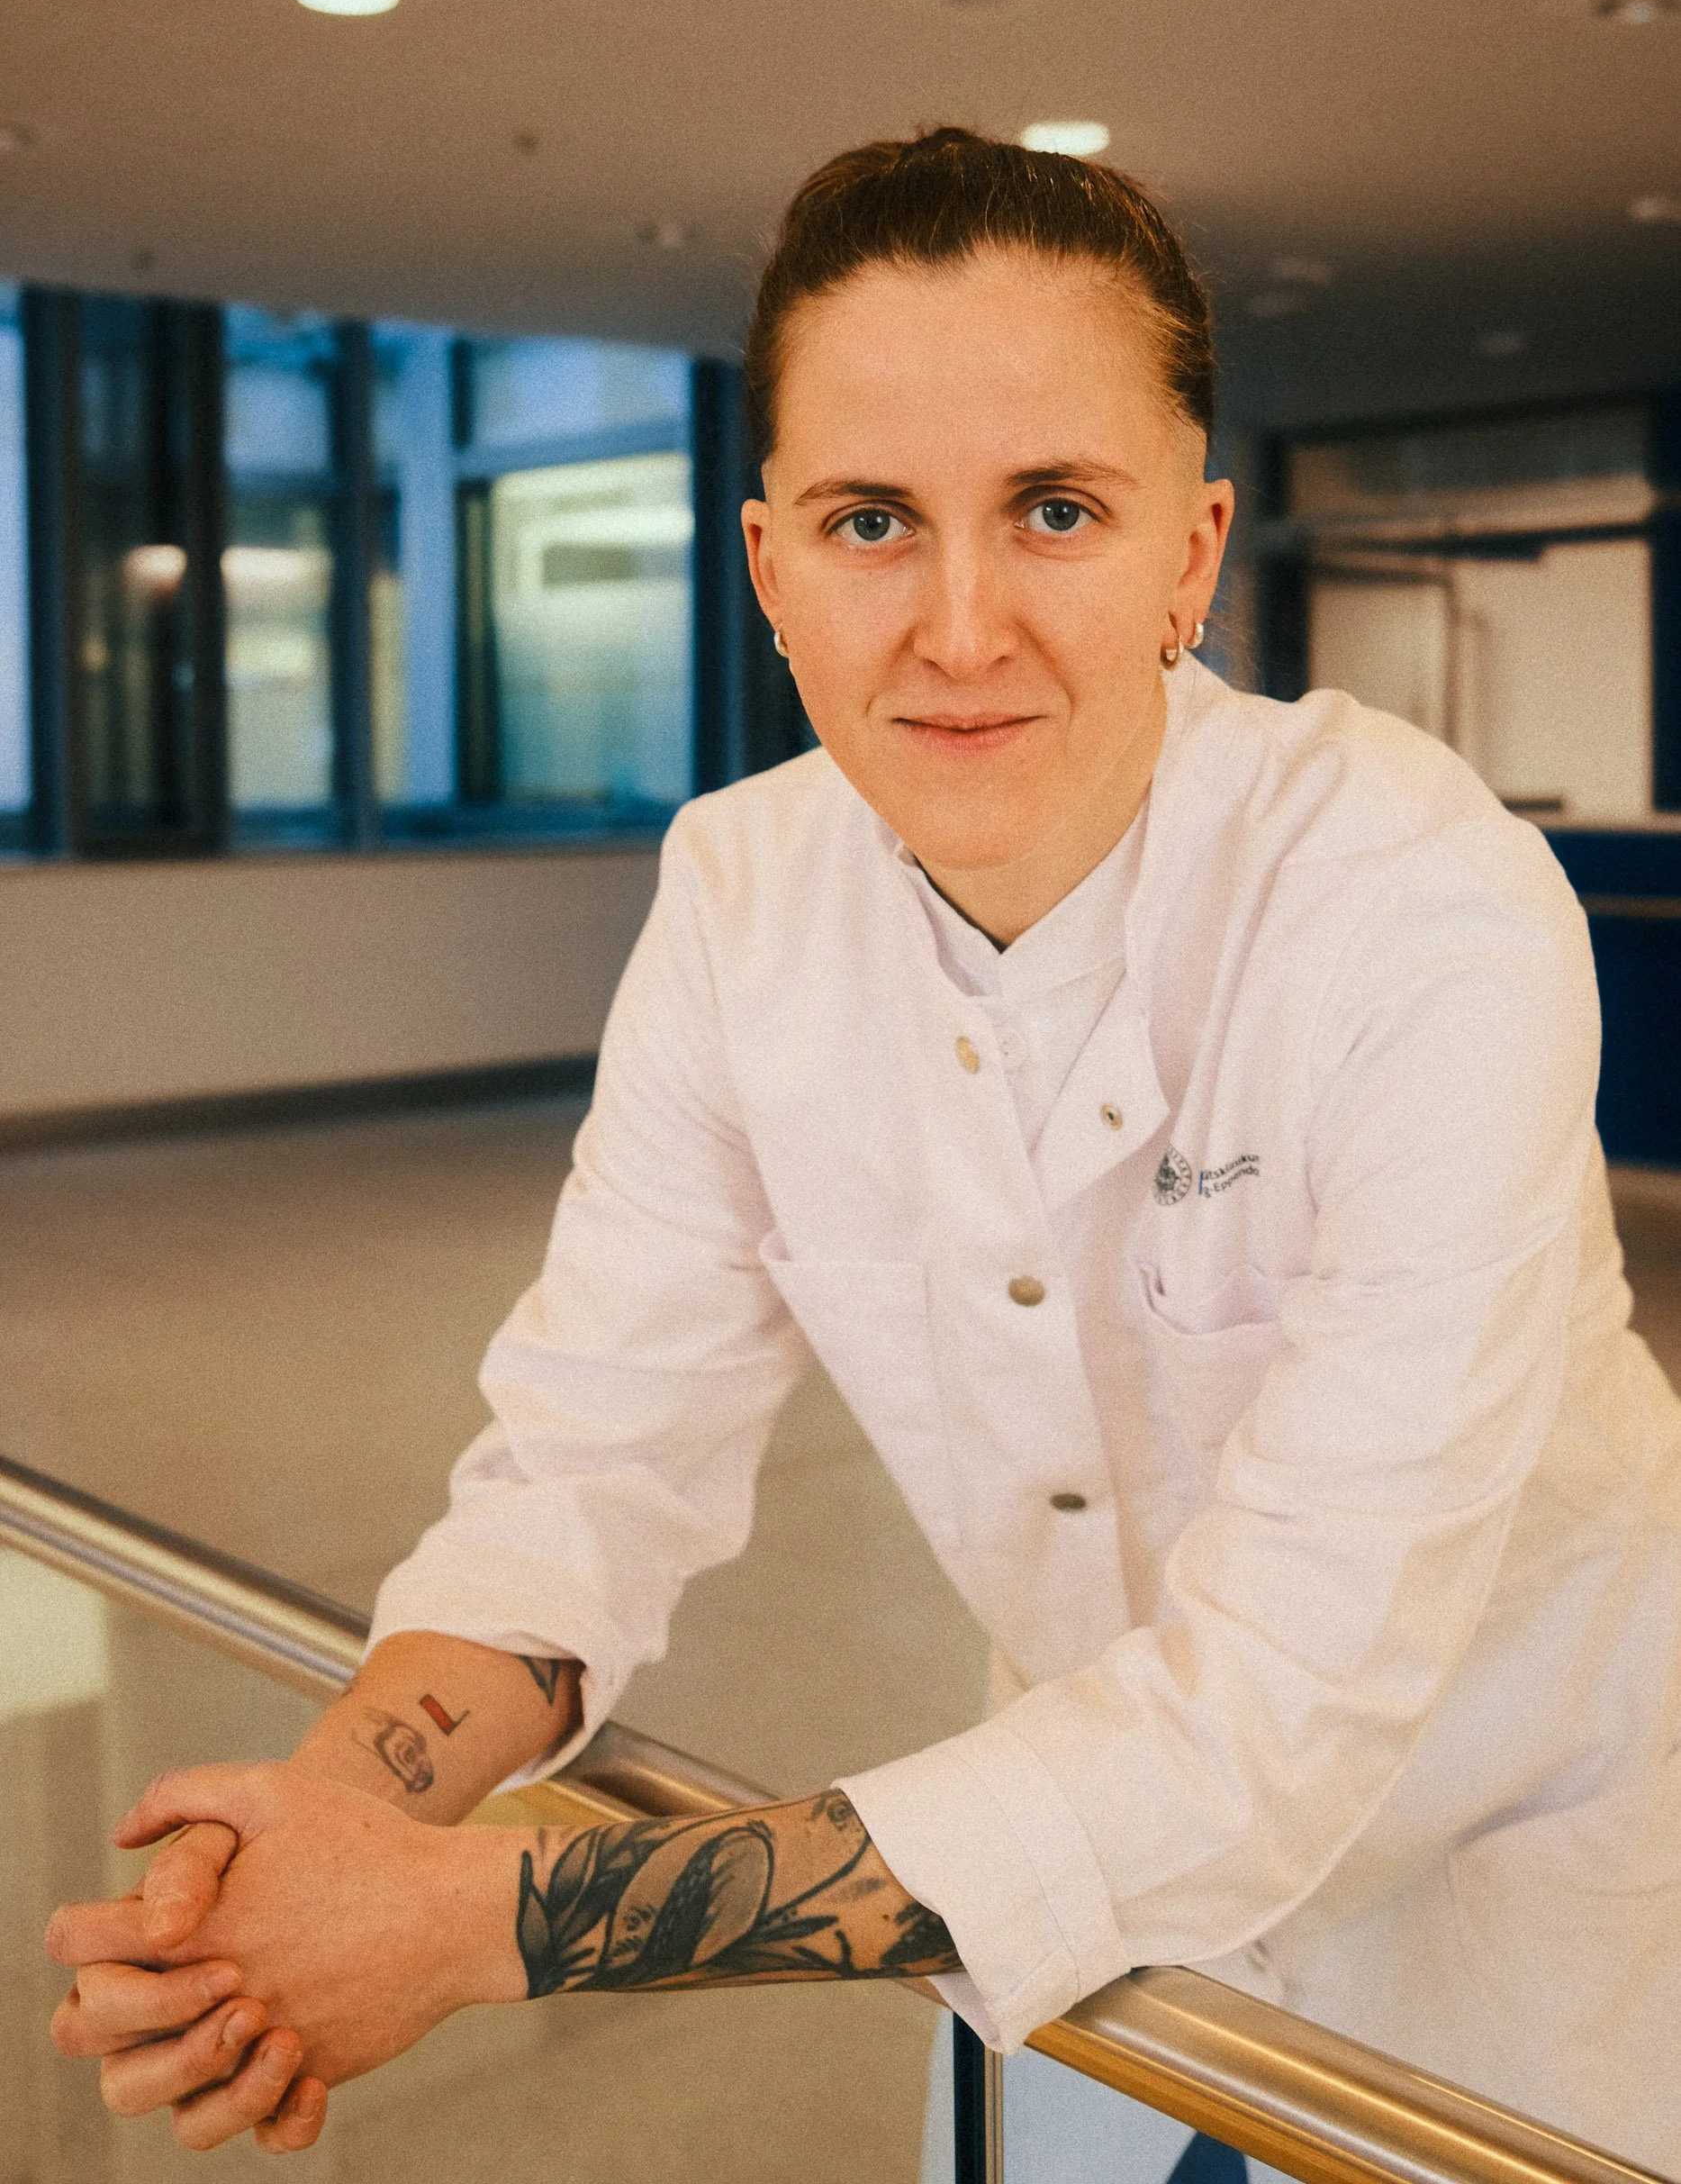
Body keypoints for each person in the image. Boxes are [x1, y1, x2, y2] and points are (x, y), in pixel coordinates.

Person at [47, 130, 1681, 2170]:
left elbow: (1281, 1714)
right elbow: (589, 1464)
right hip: (1049, 1850)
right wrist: (339, 1820)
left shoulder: (1421, 911)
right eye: (872, 519)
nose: (960, 623)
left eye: (1058, 509)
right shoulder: (743, 893)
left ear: (1194, 550)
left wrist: (480, 1916)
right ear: (767, 567)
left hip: (1515, 1858)